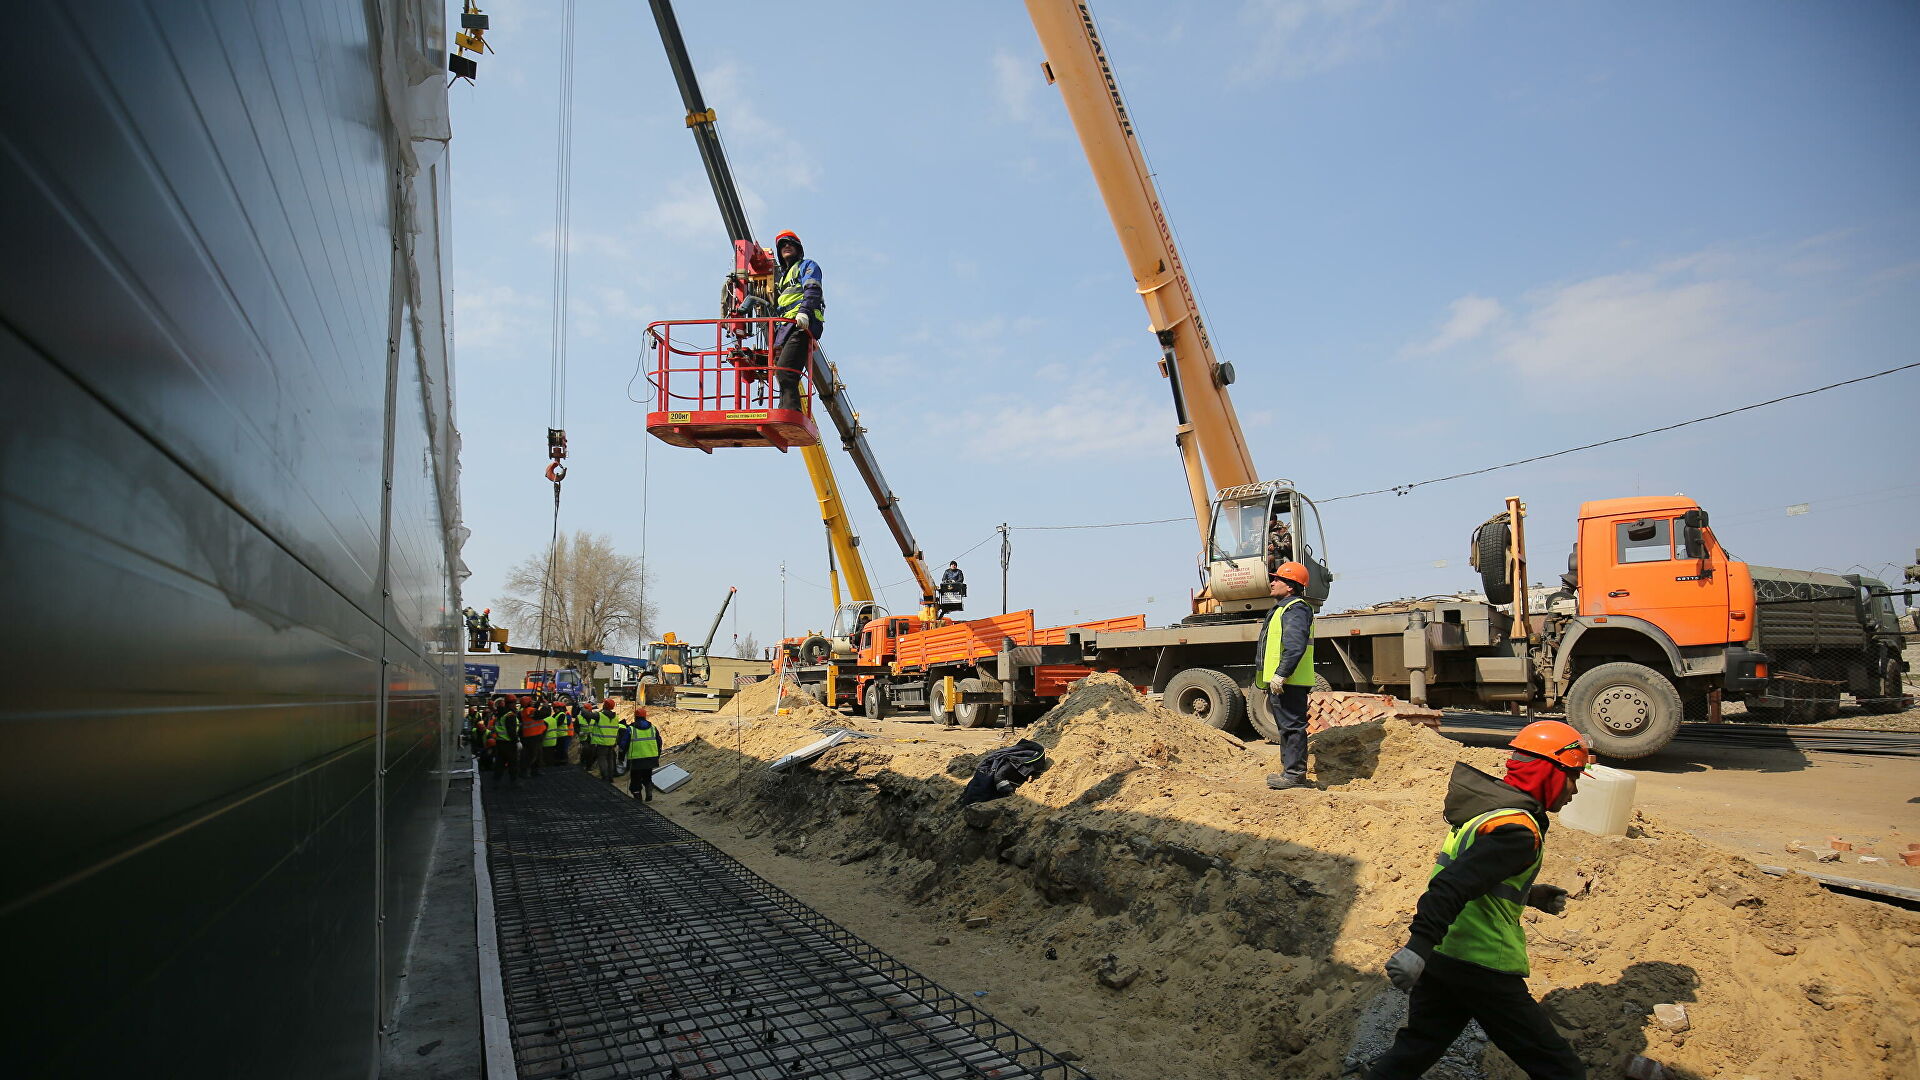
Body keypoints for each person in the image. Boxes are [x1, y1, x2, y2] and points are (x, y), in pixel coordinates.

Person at [1366, 720, 1592, 1080]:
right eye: (1573, 776)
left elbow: (1474, 878)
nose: (1575, 789)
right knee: (1559, 1068)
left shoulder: (1490, 813)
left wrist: (1529, 894)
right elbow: (1451, 886)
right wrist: (1416, 948)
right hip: (1482, 963)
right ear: (1548, 773)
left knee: (1418, 1046)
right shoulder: (1517, 831)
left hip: (1446, 957)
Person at [1257, 561, 1316, 791]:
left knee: (1292, 727)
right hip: (1285, 682)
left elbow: (1295, 646)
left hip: (1291, 681)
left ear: (1291, 586)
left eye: (1277, 579)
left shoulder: (1296, 609)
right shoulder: (1284, 608)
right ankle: (1289, 772)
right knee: (1287, 727)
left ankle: (1294, 775)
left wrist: (1281, 674)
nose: (1272, 582)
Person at [769, 229, 823, 412]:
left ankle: (791, 412)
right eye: (782, 244)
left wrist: (805, 313)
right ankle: (784, 410)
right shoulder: (783, 278)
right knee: (781, 372)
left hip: (801, 325)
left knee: (785, 372)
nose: (786, 246)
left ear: (798, 248)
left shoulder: (807, 266)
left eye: (790, 243)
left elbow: (813, 290)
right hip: (787, 327)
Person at [625, 707, 663, 801]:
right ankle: (649, 789)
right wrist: (657, 755)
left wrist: (622, 755)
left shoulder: (631, 729)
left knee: (635, 781)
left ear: (636, 717)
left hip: (636, 759)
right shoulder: (653, 728)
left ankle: (638, 799)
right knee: (647, 776)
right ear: (645, 717)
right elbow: (659, 742)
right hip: (650, 758)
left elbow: (624, 743)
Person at [580, 698, 622, 781]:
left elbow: (586, 715)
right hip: (611, 743)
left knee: (602, 760)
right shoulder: (615, 717)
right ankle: (610, 778)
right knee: (610, 760)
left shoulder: (600, 716)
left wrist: (582, 707)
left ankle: (605, 777)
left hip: (602, 743)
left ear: (604, 705)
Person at [517, 696, 550, 779]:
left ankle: (535, 771)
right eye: (531, 701)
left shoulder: (525, 711)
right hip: (533, 736)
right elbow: (544, 714)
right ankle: (524, 772)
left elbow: (535, 711)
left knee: (538, 754)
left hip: (532, 735)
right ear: (528, 703)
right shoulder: (530, 711)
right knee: (532, 755)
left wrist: (539, 702)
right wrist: (546, 705)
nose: (532, 702)